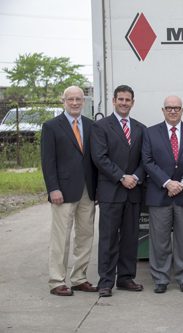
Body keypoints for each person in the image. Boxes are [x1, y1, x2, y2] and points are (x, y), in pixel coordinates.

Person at [142, 95, 183, 293]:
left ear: (182, 110)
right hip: (160, 194)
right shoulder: (150, 133)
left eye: (176, 107)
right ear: (163, 110)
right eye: (169, 107)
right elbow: (147, 161)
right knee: (159, 239)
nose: (172, 111)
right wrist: (168, 183)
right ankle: (161, 278)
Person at [41, 86, 98, 296]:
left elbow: (94, 160)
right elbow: (48, 162)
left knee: (85, 235)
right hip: (62, 192)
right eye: (70, 99)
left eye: (78, 99)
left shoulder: (91, 126)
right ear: (63, 101)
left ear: (84, 101)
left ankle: (79, 278)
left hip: (87, 191)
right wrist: (53, 188)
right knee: (61, 238)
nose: (75, 103)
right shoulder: (51, 127)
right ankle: (56, 281)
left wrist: (97, 188)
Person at [90, 85, 146, 297]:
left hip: (133, 192)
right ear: (113, 101)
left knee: (131, 237)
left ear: (133, 102)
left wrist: (136, 177)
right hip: (111, 191)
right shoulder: (101, 127)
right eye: (120, 99)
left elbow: (144, 158)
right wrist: (122, 177)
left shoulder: (140, 128)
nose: (124, 103)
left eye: (127, 99)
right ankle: (105, 281)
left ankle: (125, 278)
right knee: (108, 238)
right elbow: (100, 158)